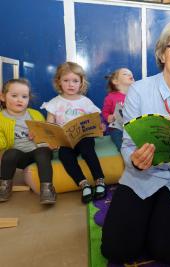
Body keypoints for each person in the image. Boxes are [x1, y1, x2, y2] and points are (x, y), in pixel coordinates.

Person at [100, 19, 170, 264]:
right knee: (116, 250)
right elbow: (128, 144)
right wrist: (134, 160)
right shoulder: (139, 91)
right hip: (139, 178)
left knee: (168, 252)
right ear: (163, 52)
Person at [42, 62, 106, 204]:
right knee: (65, 155)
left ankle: (99, 180)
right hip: (65, 141)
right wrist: (51, 140)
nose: (71, 84)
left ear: (81, 83)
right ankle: (83, 184)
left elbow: (96, 120)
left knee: (87, 150)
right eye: (66, 80)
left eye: (75, 81)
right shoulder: (54, 103)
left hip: (83, 138)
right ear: (59, 82)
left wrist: (100, 125)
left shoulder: (85, 101)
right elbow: (49, 124)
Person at [0, 79, 56, 204]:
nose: (20, 100)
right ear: (3, 97)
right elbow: (2, 144)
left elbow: (46, 136)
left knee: (43, 151)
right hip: (19, 157)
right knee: (10, 153)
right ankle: (5, 187)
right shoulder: (1, 118)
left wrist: (39, 137)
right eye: (14, 96)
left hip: (38, 151)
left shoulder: (35, 114)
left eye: (24, 96)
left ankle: (47, 189)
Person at [102, 68, 134, 151]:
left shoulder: (135, 95)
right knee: (120, 140)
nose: (130, 75)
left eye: (131, 74)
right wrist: (109, 117)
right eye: (125, 74)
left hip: (132, 126)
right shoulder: (111, 97)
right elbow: (105, 112)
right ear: (115, 81)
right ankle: (127, 155)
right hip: (117, 128)